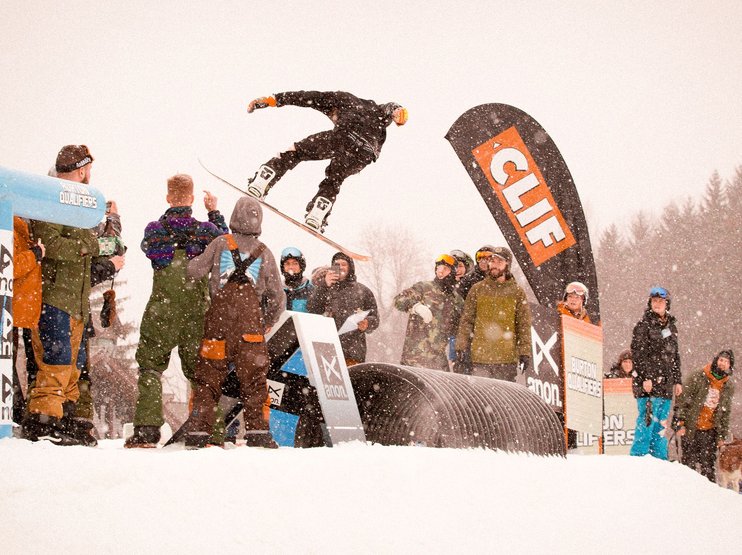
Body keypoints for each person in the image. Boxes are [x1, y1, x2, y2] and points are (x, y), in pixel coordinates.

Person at [125, 174, 228, 448]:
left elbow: (149, 249)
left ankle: (147, 430)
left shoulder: (155, 230)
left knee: (150, 366)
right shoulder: (206, 230)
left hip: (163, 308)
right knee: (201, 372)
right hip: (196, 310)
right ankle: (210, 432)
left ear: (168, 197)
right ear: (192, 198)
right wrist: (214, 212)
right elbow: (226, 244)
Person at [22, 145, 110, 445]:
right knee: (55, 362)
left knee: (72, 368)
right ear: (83, 170)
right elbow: (51, 244)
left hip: (75, 300)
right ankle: (44, 422)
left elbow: (87, 241)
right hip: (54, 298)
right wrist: (87, 247)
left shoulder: (77, 205)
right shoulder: (50, 197)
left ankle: (65, 419)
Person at [185, 196, 285, 449]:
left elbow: (194, 271)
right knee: (254, 380)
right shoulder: (265, 252)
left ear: (233, 217)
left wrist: (190, 255)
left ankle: (199, 431)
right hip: (250, 329)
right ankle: (258, 432)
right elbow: (278, 295)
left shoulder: (220, 244)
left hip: (218, 325)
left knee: (209, 377)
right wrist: (267, 322)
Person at [245, 90, 408, 231]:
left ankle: (263, 179)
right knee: (335, 178)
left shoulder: (341, 99)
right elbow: (388, 108)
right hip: (364, 154)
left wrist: (273, 99)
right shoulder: (375, 112)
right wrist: (396, 110)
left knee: (296, 152)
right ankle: (319, 210)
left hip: (343, 137)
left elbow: (306, 97)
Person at [455, 246, 531, 382]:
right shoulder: (477, 289)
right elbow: (467, 320)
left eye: (499, 262)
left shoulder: (517, 292)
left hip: (506, 360)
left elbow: (523, 325)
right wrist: (462, 346)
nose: (494, 265)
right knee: (480, 399)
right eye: (492, 261)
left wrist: (525, 352)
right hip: (479, 358)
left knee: (503, 401)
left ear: (507, 264)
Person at [629, 286, 682, 460]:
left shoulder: (671, 327)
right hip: (648, 384)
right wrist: (646, 378)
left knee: (661, 426)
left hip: (666, 385)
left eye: (661, 301)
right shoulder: (643, 326)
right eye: (654, 301)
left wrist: (678, 380)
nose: (657, 304)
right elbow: (638, 354)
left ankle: (659, 462)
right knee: (646, 423)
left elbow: (675, 355)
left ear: (667, 304)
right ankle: (639, 459)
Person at [307, 252, 379, 366]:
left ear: (350, 267)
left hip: (353, 351)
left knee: (352, 382)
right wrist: (324, 286)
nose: (340, 267)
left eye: (344, 264)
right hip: (327, 349)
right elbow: (312, 310)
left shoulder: (363, 291)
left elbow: (375, 317)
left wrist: (367, 323)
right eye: (336, 264)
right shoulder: (323, 288)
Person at [394, 254, 463, 371]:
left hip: (438, 361)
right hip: (413, 358)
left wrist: (455, 352)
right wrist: (415, 306)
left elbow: (460, 328)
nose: (440, 272)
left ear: (453, 272)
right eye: (438, 268)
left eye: (445, 269)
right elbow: (399, 300)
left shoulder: (456, 299)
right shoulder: (424, 287)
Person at [675, 350, 735, 482]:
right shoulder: (699, 376)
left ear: (730, 366)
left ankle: (708, 498)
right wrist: (680, 423)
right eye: (721, 360)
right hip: (691, 428)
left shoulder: (728, 386)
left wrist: (721, 437)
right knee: (688, 467)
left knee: (708, 468)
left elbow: (725, 413)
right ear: (715, 361)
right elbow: (682, 400)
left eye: (726, 362)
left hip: (709, 431)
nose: (722, 364)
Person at [12, 216, 44, 424]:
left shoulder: (21, 227)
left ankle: (19, 410)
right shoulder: (11, 228)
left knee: (22, 360)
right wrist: (35, 255)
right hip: (15, 305)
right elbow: (8, 265)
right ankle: (16, 411)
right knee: (8, 360)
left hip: (23, 306)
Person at [280, 246, 314, 312]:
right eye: (287, 263)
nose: (291, 267)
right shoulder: (277, 290)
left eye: (295, 263)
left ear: (301, 266)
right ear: (282, 267)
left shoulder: (311, 290)